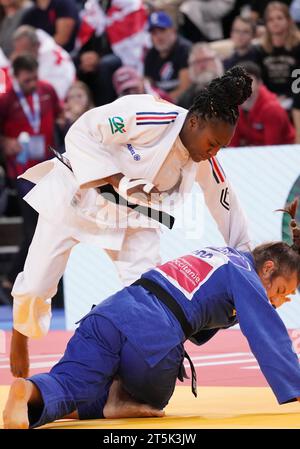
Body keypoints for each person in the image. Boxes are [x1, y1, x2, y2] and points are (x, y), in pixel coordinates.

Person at [9, 67, 253, 379]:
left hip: (132, 218)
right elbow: (82, 131)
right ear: (193, 122)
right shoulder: (150, 114)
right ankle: (20, 332)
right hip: (79, 195)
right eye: (213, 143)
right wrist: (117, 177)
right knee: (36, 286)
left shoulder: (202, 156)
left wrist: (245, 259)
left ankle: (161, 348)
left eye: (220, 147)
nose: (213, 152)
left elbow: (225, 201)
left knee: (153, 291)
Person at [3, 201, 300, 429]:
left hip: (109, 314)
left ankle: (28, 391)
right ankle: (113, 402)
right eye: (282, 290)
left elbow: (201, 318)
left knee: (71, 381)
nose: (280, 300)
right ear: (269, 267)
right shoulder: (247, 276)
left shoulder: (220, 254)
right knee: (155, 399)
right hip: (151, 338)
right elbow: (268, 336)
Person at [0, 54, 61, 299]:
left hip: (49, 169)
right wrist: (5, 142)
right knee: (35, 228)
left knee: (47, 227)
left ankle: (24, 280)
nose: (32, 84)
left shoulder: (48, 91)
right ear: (15, 78)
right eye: (27, 81)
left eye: (35, 78)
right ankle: (16, 277)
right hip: (23, 174)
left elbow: (57, 119)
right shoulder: (6, 101)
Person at [230, 61, 295, 146]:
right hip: (254, 149)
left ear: (259, 83)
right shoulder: (232, 106)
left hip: (284, 152)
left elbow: (271, 148)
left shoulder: (272, 109)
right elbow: (232, 145)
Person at [255, 1, 300, 110]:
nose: (275, 22)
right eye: (271, 19)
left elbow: (298, 79)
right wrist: (271, 99)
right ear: (266, 24)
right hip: (269, 101)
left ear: (288, 20)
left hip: (295, 101)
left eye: (279, 18)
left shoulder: (298, 47)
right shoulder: (260, 50)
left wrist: (291, 98)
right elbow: (259, 81)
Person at [12, 25, 76, 101]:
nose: (21, 56)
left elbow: (55, 96)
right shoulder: (34, 53)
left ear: (37, 45)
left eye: (25, 51)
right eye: (18, 51)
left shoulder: (51, 58)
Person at [144, 11, 192, 102]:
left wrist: (160, 102)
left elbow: (185, 88)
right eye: (154, 33)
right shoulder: (150, 55)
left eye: (162, 30)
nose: (159, 37)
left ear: (173, 30)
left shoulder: (185, 50)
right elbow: (148, 86)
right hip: (160, 104)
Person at [177, 43, 224, 109]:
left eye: (206, 60)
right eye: (197, 62)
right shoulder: (185, 99)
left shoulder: (234, 84)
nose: (202, 66)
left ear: (217, 60)